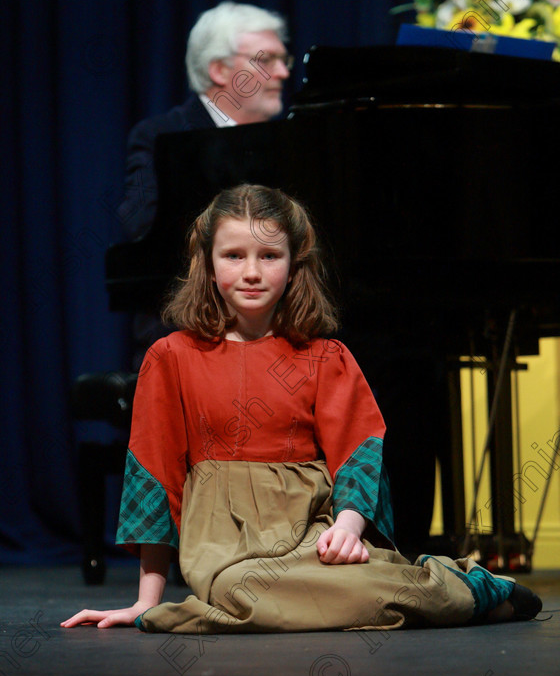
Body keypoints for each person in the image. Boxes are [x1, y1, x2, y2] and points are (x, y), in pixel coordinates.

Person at [61, 184, 542, 634]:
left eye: (269, 256)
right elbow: (155, 472)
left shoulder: (323, 356)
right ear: (208, 266)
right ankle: (450, 594)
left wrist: (350, 529)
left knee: (311, 584)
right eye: (233, 256)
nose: (252, 272)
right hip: (224, 546)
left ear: (293, 266)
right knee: (237, 588)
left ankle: (458, 591)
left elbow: (358, 451)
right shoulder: (172, 358)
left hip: (311, 529)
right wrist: (148, 600)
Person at [118, 1, 292, 241]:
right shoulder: (161, 136)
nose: (283, 72)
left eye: (284, 60)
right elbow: (140, 230)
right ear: (219, 70)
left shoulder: (288, 140)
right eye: (266, 60)